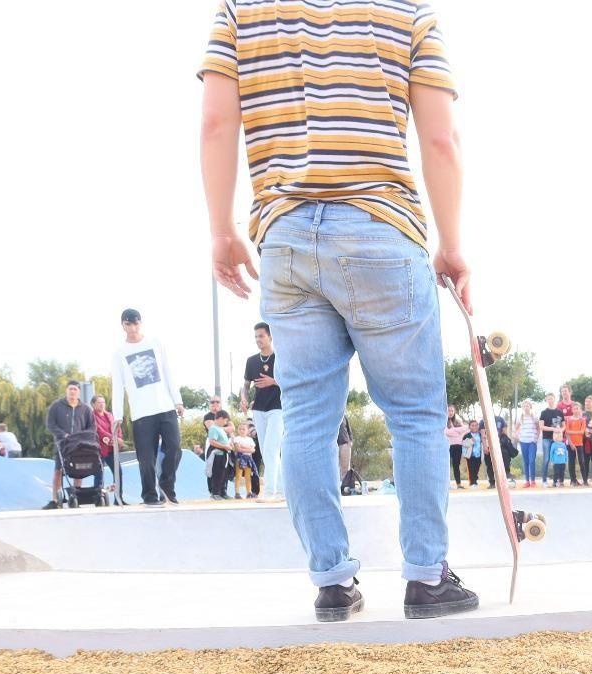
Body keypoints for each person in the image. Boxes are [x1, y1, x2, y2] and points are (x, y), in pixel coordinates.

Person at [199, 0, 476, 620]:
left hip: (287, 237)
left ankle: (331, 580)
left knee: (306, 422)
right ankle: (428, 579)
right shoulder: (409, 13)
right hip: (383, 229)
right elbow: (439, 136)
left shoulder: (241, 12)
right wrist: (452, 246)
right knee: (414, 416)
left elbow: (217, 123)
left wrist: (221, 228)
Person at [110, 309, 184, 507]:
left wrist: (178, 400)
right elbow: (117, 385)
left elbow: (167, 372)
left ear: (140, 323)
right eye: (128, 324)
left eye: (135, 324)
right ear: (123, 325)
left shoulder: (155, 343)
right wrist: (117, 415)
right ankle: (149, 495)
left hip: (165, 406)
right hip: (141, 412)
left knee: (175, 447)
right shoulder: (119, 353)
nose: (132, 328)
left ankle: (167, 484)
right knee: (146, 457)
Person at [243, 322, 284, 498]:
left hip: (278, 409)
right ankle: (283, 489)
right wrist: (244, 398)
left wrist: (273, 381)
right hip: (258, 409)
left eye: (261, 336)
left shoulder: (281, 357)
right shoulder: (251, 361)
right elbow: (245, 385)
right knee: (269, 451)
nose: (258, 339)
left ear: (270, 336)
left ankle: (269, 491)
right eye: (256, 336)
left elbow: (293, 380)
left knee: (270, 448)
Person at [46, 380, 97, 503]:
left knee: (78, 471)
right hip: (62, 444)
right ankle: (54, 499)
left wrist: (84, 436)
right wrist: (63, 435)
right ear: (66, 390)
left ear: (79, 392)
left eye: (75, 389)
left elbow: (92, 426)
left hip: (79, 445)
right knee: (58, 470)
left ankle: (76, 496)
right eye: (70, 389)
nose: (72, 391)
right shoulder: (56, 406)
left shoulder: (86, 409)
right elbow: (51, 424)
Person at [206, 411, 235, 499]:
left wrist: (229, 445)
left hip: (224, 454)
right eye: (225, 421)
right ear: (221, 418)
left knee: (224, 474)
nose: (225, 423)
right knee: (217, 474)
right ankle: (215, 493)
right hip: (217, 454)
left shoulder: (220, 429)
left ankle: (223, 492)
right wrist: (224, 446)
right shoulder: (213, 428)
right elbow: (212, 442)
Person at [514, 399, 539, 487]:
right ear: (522, 407)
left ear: (530, 407)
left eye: (527, 405)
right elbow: (516, 427)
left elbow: (538, 428)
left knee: (532, 461)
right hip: (523, 441)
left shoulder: (534, 416)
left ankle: (533, 481)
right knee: (526, 461)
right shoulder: (520, 417)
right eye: (524, 406)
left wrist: (536, 437)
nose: (526, 407)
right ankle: (527, 481)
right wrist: (517, 435)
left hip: (532, 441)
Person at [234, 426, 258, 498]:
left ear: (247, 431)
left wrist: (243, 447)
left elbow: (253, 450)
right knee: (238, 475)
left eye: (243, 429)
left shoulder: (250, 439)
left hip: (248, 458)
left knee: (248, 476)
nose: (242, 431)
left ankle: (249, 492)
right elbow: (238, 449)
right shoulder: (237, 439)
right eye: (240, 429)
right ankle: (237, 492)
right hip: (240, 458)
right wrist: (248, 448)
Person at [445, 406, 465, 488]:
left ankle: (458, 484)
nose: (450, 412)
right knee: (446, 465)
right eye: (449, 410)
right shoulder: (443, 422)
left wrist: (452, 432)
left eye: (452, 411)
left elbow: (464, 430)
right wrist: (457, 432)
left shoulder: (458, 422)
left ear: (454, 411)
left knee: (456, 465)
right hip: (447, 446)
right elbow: (445, 432)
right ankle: (447, 484)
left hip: (458, 446)